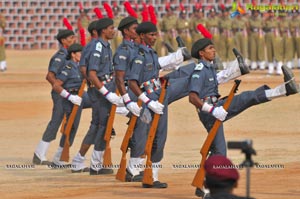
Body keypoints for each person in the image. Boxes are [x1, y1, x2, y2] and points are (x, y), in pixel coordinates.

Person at [188, 38, 299, 158]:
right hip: (210, 113)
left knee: (219, 151)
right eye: (210, 48)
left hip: (216, 108)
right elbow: (192, 98)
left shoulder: (208, 68)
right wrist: (213, 110)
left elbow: (220, 78)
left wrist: (237, 68)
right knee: (220, 153)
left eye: (213, 47)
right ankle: (285, 90)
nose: (214, 50)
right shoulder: (199, 71)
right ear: (201, 53)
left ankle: (285, 89)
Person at [87, 18, 124, 175]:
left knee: (105, 125)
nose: (113, 30)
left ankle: (98, 163)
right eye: (110, 28)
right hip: (101, 91)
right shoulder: (98, 47)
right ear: (103, 30)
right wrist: (106, 93)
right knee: (103, 126)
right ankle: (95, 166)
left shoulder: (106, 46)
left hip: (108, 86)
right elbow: (92, 74)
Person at [33, 29, 75, 166]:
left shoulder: (69, 55)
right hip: (60, 94)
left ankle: (56, 156)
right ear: (63, 41)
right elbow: (50, 76)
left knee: (66, 122)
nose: (73, 40)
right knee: (56, 121)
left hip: (68, 93)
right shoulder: (61, 56)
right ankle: (40, 154)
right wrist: (60, 90)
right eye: (70, 38)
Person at [52, 43, 91, 167]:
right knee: (71, 127)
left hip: (80, 96)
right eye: (80, 53)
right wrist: (70, 97)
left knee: (98, 102)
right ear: (73, 54)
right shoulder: (68, 67)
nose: (82, 55)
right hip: (70, 98)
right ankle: (59, 157)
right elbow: (56, 85)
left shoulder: (80, 66)